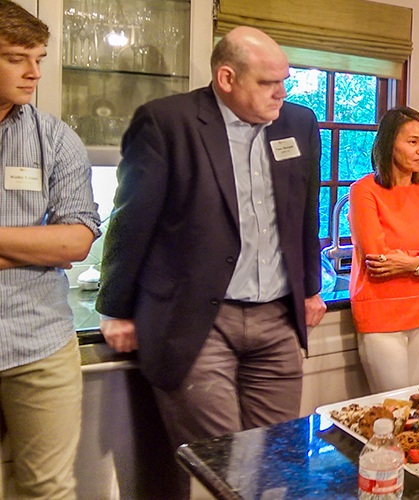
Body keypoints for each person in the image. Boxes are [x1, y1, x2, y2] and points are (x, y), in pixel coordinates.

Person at [96, 27, 326, 496]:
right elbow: (131, 220)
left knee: (279, 460)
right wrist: (116, 308)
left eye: (285, 80)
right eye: (267, 82)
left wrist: (310, 288)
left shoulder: (298, 124)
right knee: (228, 463)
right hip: (198, 320)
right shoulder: (167, 123)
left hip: (277, 318)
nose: (281, 92)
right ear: (226, 78)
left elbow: (304, 212)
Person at [0, 2, 100, 496]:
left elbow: (76, 240)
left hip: (39, 341)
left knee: (46, 489)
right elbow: (54, 243)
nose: (34, 72)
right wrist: (33, 245)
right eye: (17, 57)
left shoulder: (55, 138)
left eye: (38, 56)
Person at [349, 107, 419, 392]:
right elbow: (377, 257)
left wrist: (413, 263)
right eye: (413, 142)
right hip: (381, 314)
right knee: (392, 407)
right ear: (388, 144)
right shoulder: (364, 191)